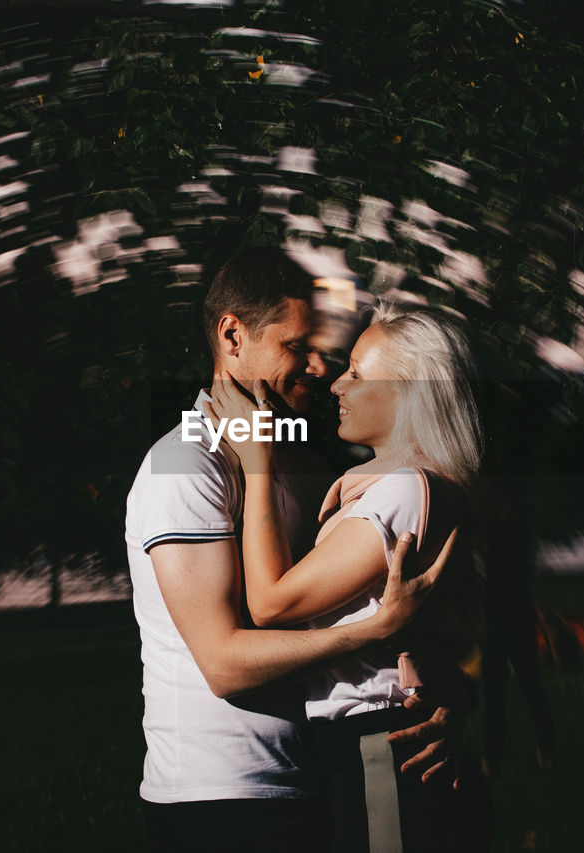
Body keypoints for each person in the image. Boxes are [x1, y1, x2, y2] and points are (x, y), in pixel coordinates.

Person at [124, 250, 459, 853]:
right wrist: (378, 631)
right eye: (297, 346)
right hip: (222, 800)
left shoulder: (304, 463)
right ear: (232, 335)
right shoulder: (185, 464)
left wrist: (436, 703)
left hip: (322, 781)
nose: (319, 365)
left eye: (324, 348)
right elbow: (224, 663)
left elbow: (352, 604)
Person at [206, 303, 488, 853]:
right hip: (378, 739)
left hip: (381, 738)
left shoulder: (407, 491)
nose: (336, 384)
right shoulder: (409, 484)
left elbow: (271, 605)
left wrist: (256, 461)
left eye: (358, 373)